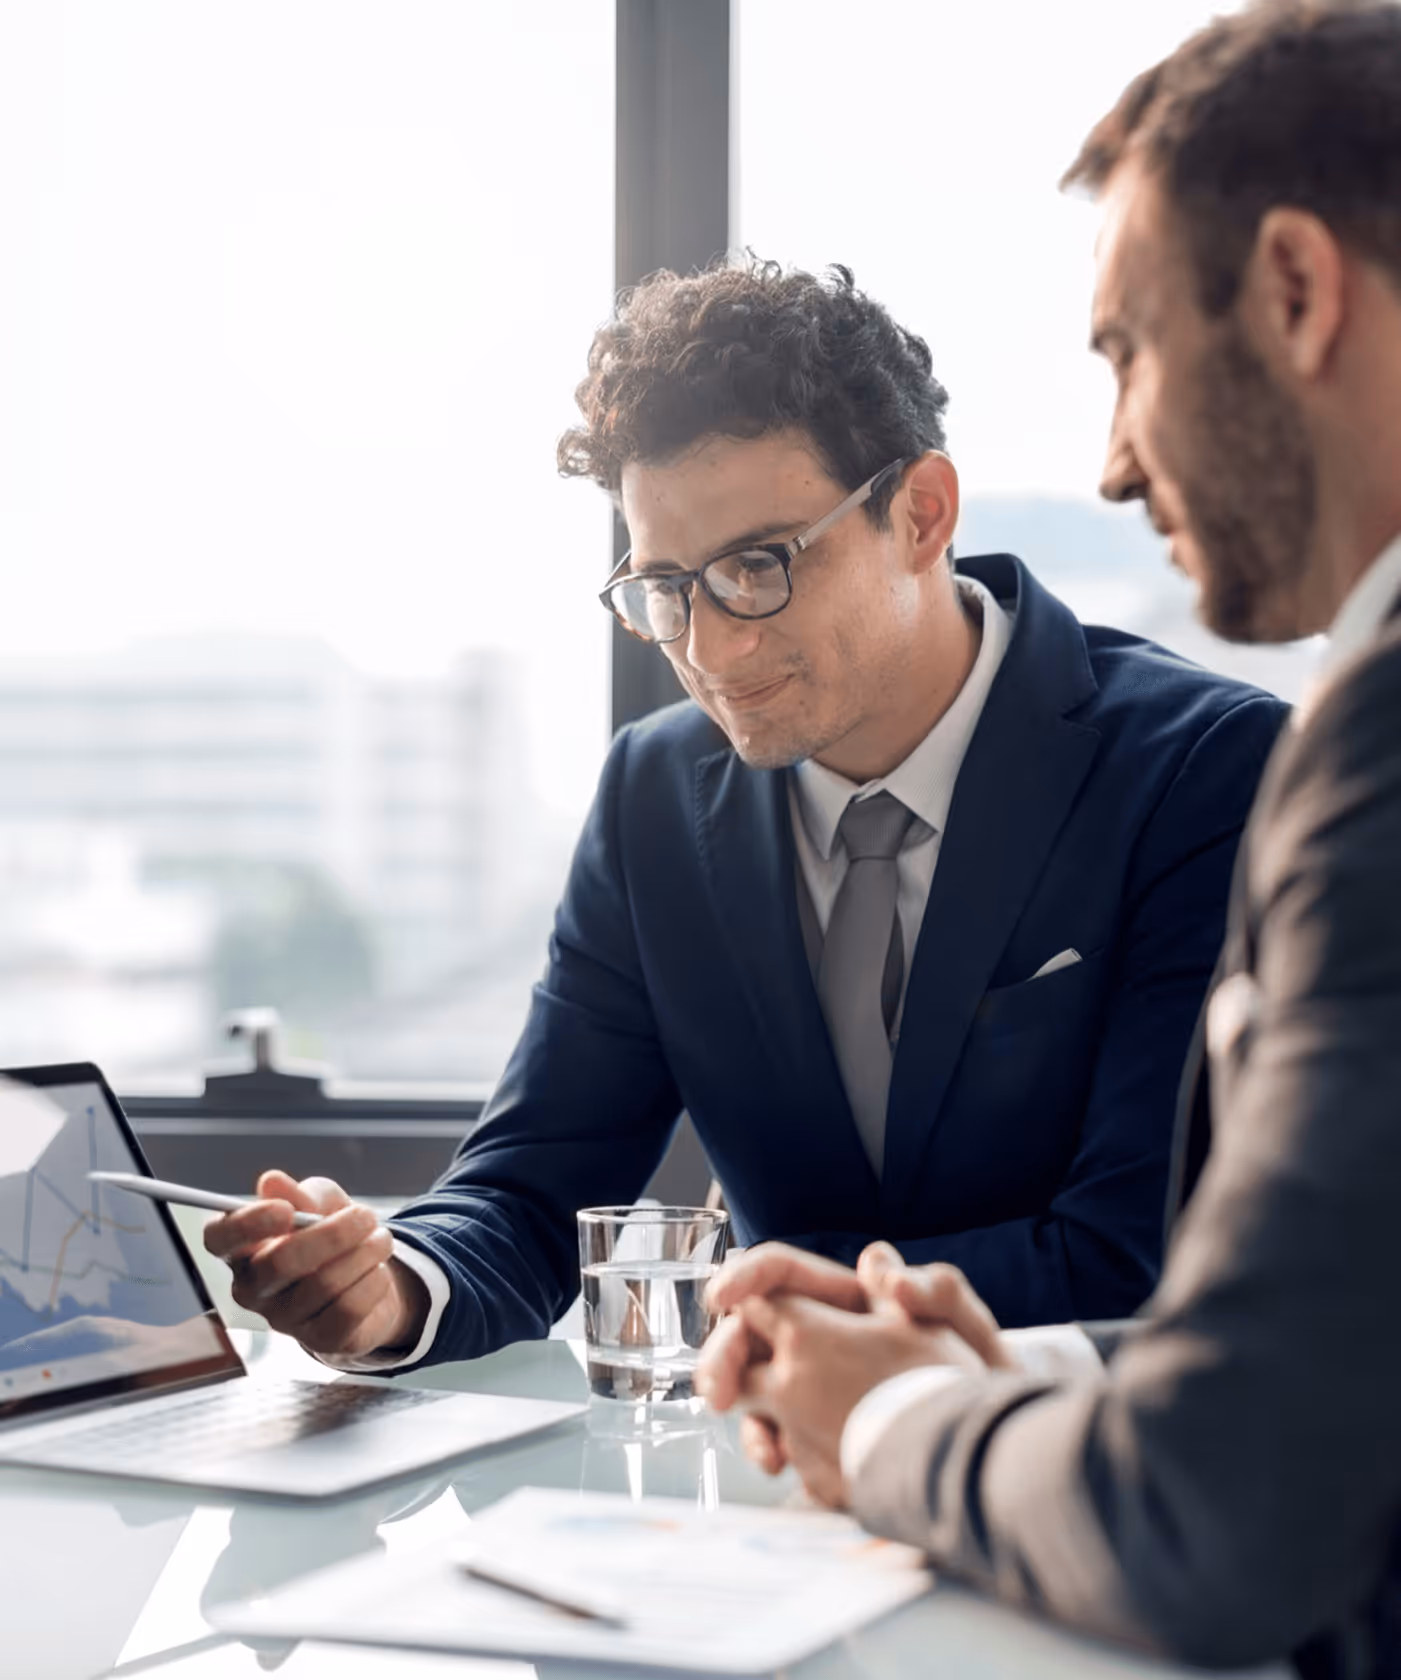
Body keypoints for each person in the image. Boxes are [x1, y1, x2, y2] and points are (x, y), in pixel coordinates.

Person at [203, 260, 1284, 1369]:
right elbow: (529, 1188)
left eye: (758, 567)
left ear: (920, 513)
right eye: (666, 588)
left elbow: (1140, 1255)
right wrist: (388, 1288)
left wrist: (778, 1319)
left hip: (1085, 1472)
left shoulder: (1205, 773)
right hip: (762, 1484)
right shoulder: (653, 799)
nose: (714, 650)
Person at [699, 4, 1401, 1675]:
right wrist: (1046, 1375)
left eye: (1127, 352)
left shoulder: (1355, 749)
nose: (1105, 465)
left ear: (1297, 291)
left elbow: (1219, 1518)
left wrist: (895, 1428)